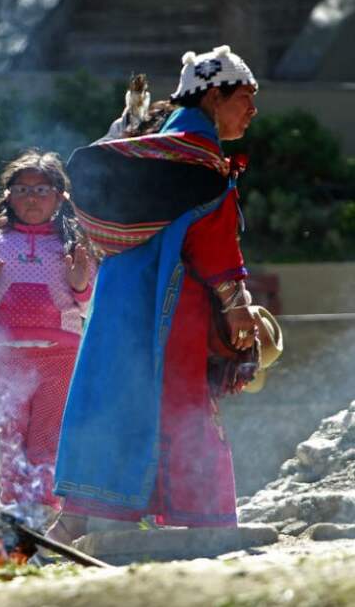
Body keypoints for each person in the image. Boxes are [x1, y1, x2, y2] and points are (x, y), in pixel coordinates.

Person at [49, 45, 260, 543]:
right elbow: (210, 240)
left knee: (113, 396)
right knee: (181, 403)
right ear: (214, 96)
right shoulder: (198, 160)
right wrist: (236, 305)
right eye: (245, 98)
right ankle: (203, 519)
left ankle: (77, 516)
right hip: (171, 305)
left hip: (122, 302)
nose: (252, 111)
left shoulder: (155, 151)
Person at [0, 151, 94, 517]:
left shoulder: (75, 245)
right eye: (22, 189)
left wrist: (80, 284)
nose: (31, 197)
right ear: (8, 196)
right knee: (9, 439)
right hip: (7, 358)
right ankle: (15, 514)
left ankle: (46, 514)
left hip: (59, 359)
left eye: (42, 189)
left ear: (60, 197)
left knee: (48, 438)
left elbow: (90, 308)